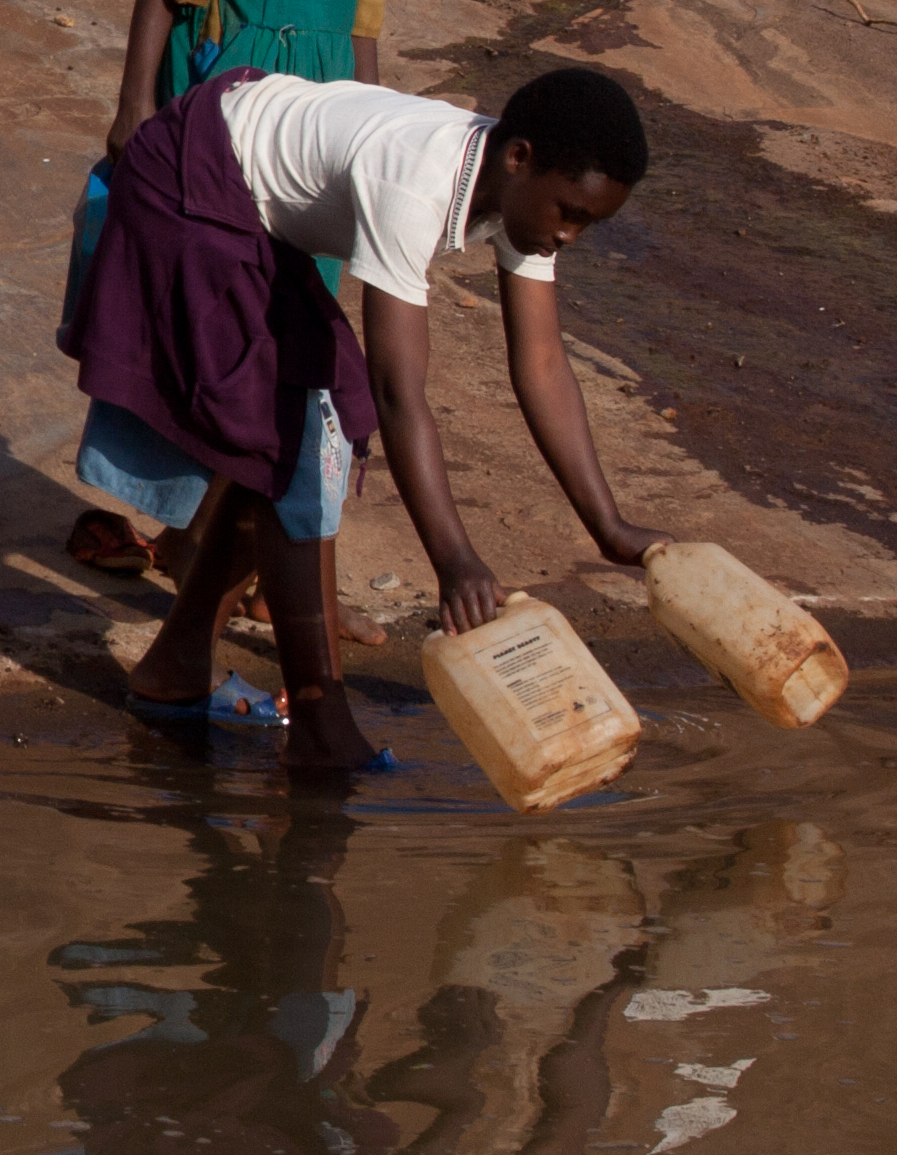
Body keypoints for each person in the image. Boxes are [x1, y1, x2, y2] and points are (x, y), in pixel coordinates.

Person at [61, 64, 657, 776]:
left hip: (252, 208)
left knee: (293, 436)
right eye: (570, 212)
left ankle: (176, 668)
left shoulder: (518, 201)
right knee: (307, 438)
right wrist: (454, 561)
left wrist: (611, 528)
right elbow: (398, 390)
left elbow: (542, 364)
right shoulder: (416, 177)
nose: (571, 235)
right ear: (519, 157)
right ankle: (319, 720)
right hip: (190, 182)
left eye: (588, 222)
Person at [73, 0, 432, 588]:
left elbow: (363, 18)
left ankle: (242, 563)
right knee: (215, 332)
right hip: (223, 124)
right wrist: (134, 109)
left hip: (320, 136)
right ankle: (212, 546)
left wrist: (374, 132)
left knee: (296, 341)